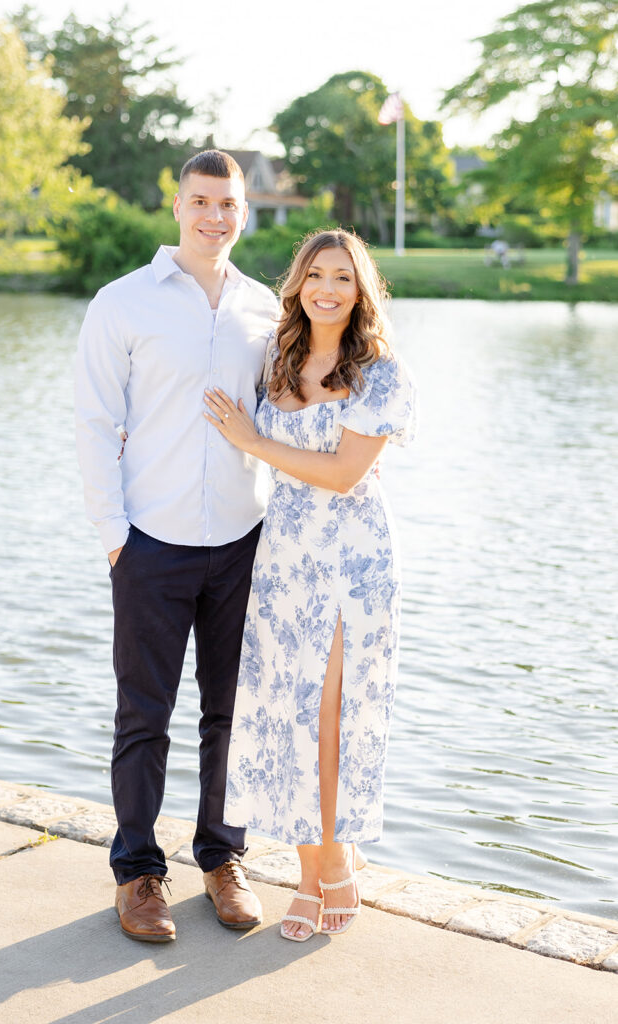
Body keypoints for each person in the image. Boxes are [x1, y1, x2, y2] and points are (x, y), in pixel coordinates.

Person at [75, 150, 279, 942]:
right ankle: (138, 873)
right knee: (143, 716)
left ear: (244, 211)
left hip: (241, 542)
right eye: (201, 201)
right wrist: (114, 536)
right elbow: (93, 422)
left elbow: (288, 414)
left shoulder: (265, 309)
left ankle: (222, 858)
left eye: (228, 204)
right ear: (177, 206)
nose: (214, 217)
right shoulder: (121, 304)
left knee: (229, 714)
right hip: (150, 543)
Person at [203, 228, 416, 941]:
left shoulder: (379, 372)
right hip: (285, 556)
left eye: (344, 278)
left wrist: (254, 442)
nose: (328, 289)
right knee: (287, 715)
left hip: (352, 559)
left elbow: (345, 474)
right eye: (317, 275)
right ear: (297, 283)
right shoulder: (278, 355)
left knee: (328, 719)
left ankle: (325, 871)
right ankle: (323, 862)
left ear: (362, 292)